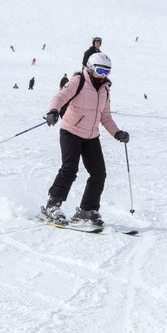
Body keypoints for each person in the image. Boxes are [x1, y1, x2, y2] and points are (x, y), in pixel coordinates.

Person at [39, 52, 129, 227]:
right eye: (100, 70)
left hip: (91, 136)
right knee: (69, 169)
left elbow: (106, 116)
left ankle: (87, 210)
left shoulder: (105, 89)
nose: (103, 75)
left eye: (107, 72)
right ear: (90, 67)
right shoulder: (78, 81)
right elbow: (60, 97)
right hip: (70, 131)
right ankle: (52, 205)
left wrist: (117, 133)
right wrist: (53, 111)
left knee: (99, 173)